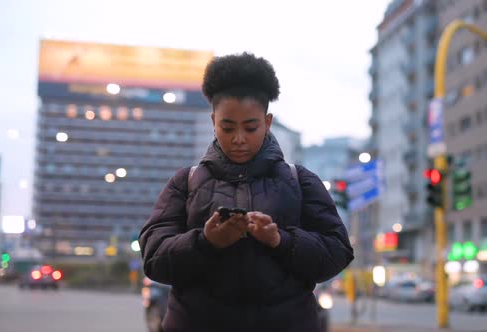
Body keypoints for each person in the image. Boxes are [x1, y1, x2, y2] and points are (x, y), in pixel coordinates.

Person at [139, 52, 354, 332]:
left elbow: (337, 252)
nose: (238, 138)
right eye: (227, 127)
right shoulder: (186, 181)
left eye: (250, 127)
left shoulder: (300, 180)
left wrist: (280, 240)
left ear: (267, 122)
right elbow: (154, 259)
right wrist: (206, 241)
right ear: (213, 120)